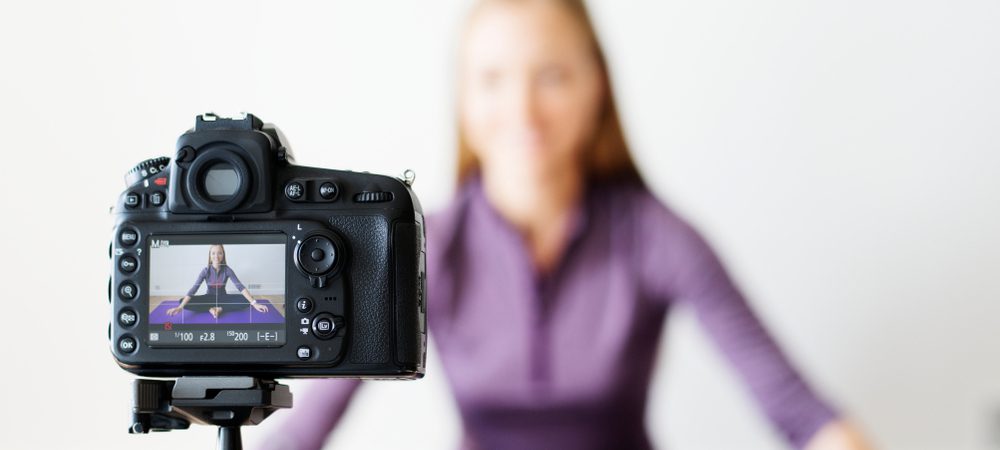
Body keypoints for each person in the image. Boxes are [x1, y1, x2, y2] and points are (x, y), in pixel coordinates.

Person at [262, 0, 873, 449]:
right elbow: (306, 430)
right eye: (493, 80)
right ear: (464, 99)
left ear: (596, 87)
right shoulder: (422, 247)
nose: (522, 110)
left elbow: (804, 416)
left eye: (551, 76)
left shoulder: (659, 238)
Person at [167, 244, 269, 319]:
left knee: (248, 300)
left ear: (223, 255)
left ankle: (219, 308)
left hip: (223, 298)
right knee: (182, 301)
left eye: (219, 253)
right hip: (208, 298)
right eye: (213, 253)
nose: (216, 256)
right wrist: (180, 307)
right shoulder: (205, 271)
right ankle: (210, 308)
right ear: (210, 256)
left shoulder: (227, 270)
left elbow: (240, 287)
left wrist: (255, 303)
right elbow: (194, 289)